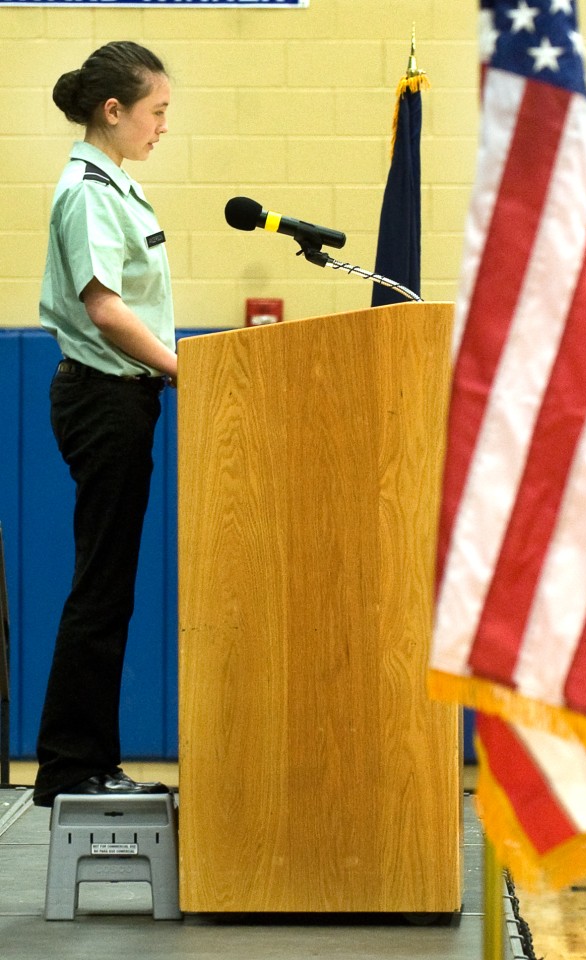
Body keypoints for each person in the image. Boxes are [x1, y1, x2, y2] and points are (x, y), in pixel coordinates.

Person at [33, 41, 178, 807]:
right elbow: (106, 307)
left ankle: (86, 761)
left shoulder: (114, 183)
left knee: (109, 586)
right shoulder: (88, 190)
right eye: (155, 113)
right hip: (103, 395)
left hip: (121, 395)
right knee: (101, 587)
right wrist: (186, 367)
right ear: (112, 111)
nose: (163, 127)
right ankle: (71, 766)